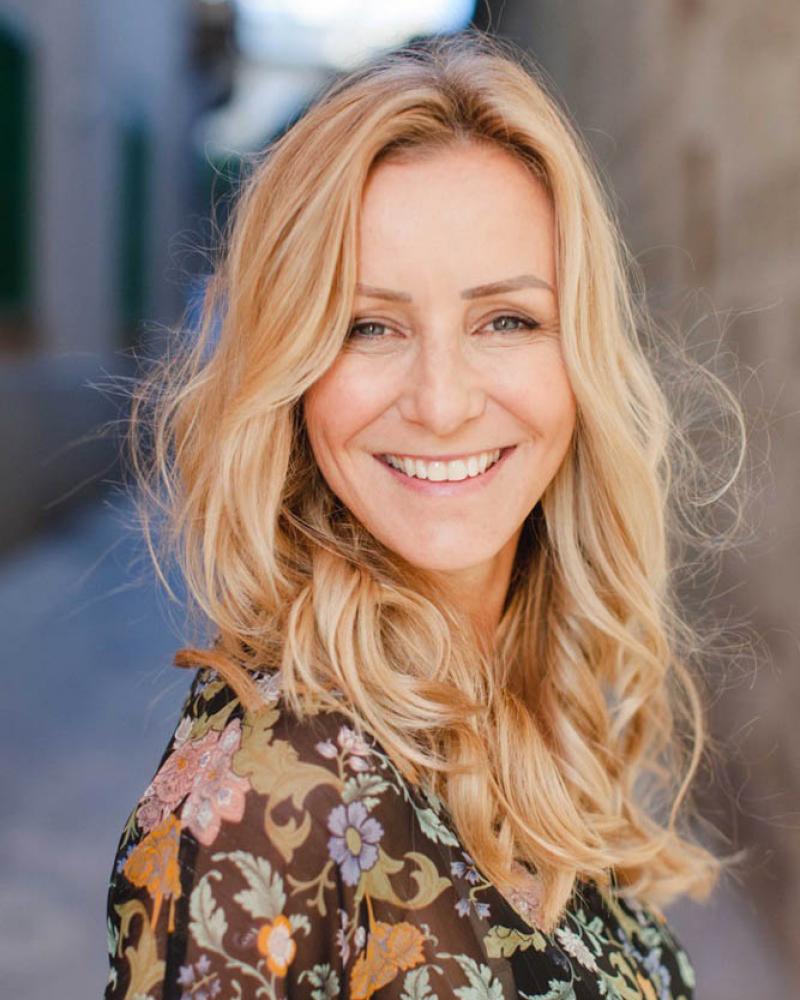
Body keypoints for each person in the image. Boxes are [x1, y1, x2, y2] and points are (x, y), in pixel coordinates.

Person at [105, 30, 743, 1000]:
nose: (441, 404)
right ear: (293, 371)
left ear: (578, 356)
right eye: (369, 325)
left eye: (505, 320)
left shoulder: (524, 709)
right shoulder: (267, 800)